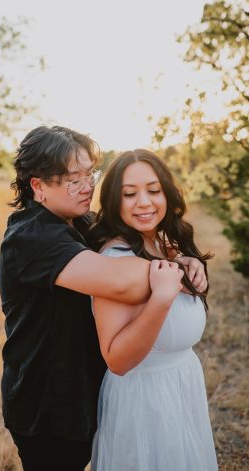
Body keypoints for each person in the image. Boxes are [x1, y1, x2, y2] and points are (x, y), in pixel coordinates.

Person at [0, 126, 208, 470]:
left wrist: (182, 257)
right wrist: (175, 269)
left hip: (84, 393)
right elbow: (119, 280)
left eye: (89, 174)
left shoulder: (80, 220)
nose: (87, 186)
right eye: (72, 179)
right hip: (46, 406)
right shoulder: (30, 237)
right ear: (38, 185)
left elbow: (136, 246)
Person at [87, 149, 217, 470]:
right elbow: (117, 360)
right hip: (144, 403)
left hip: (182, 386)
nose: (144, 202)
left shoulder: (162, 244)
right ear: (114, 202)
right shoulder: (115, 262)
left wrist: (191, 264)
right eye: (129, 194)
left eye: (153, 190)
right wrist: (160, 300)